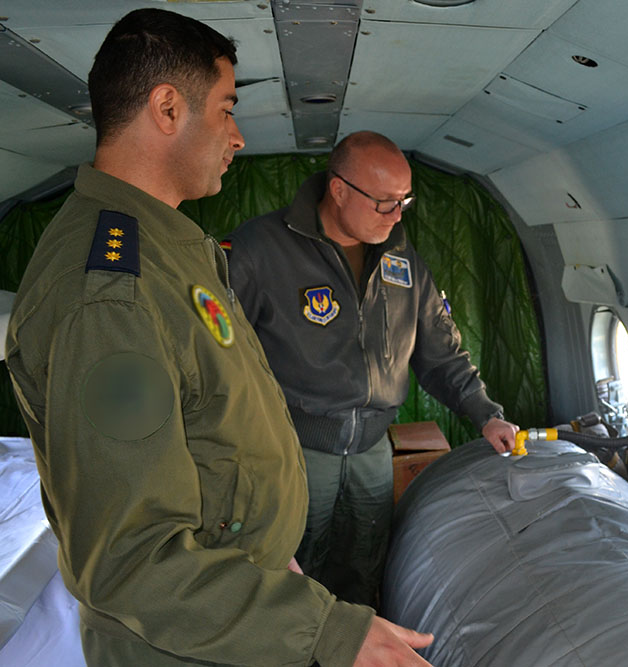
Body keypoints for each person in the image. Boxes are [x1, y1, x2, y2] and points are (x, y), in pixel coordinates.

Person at [4, 9, 432, 667]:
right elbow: (131, 558)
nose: (237, 136)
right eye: (227, 109)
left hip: (233, 601)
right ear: (167, 108)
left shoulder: (169, 248)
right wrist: (326, 631)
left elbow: (211, 425)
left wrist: (270, 551)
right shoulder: (110, 295)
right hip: (187, 640)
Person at [223, 131, 520, 606]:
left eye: (404, 201)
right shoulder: (260, 249)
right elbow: (218, 353)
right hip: (294, 450)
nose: (397, 215)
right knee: (292, 572)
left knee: (363, 569)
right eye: (384, 202)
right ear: (339, 190)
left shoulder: (402, 261)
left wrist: (486, 414)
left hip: (371, 453)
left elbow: (442, 354)